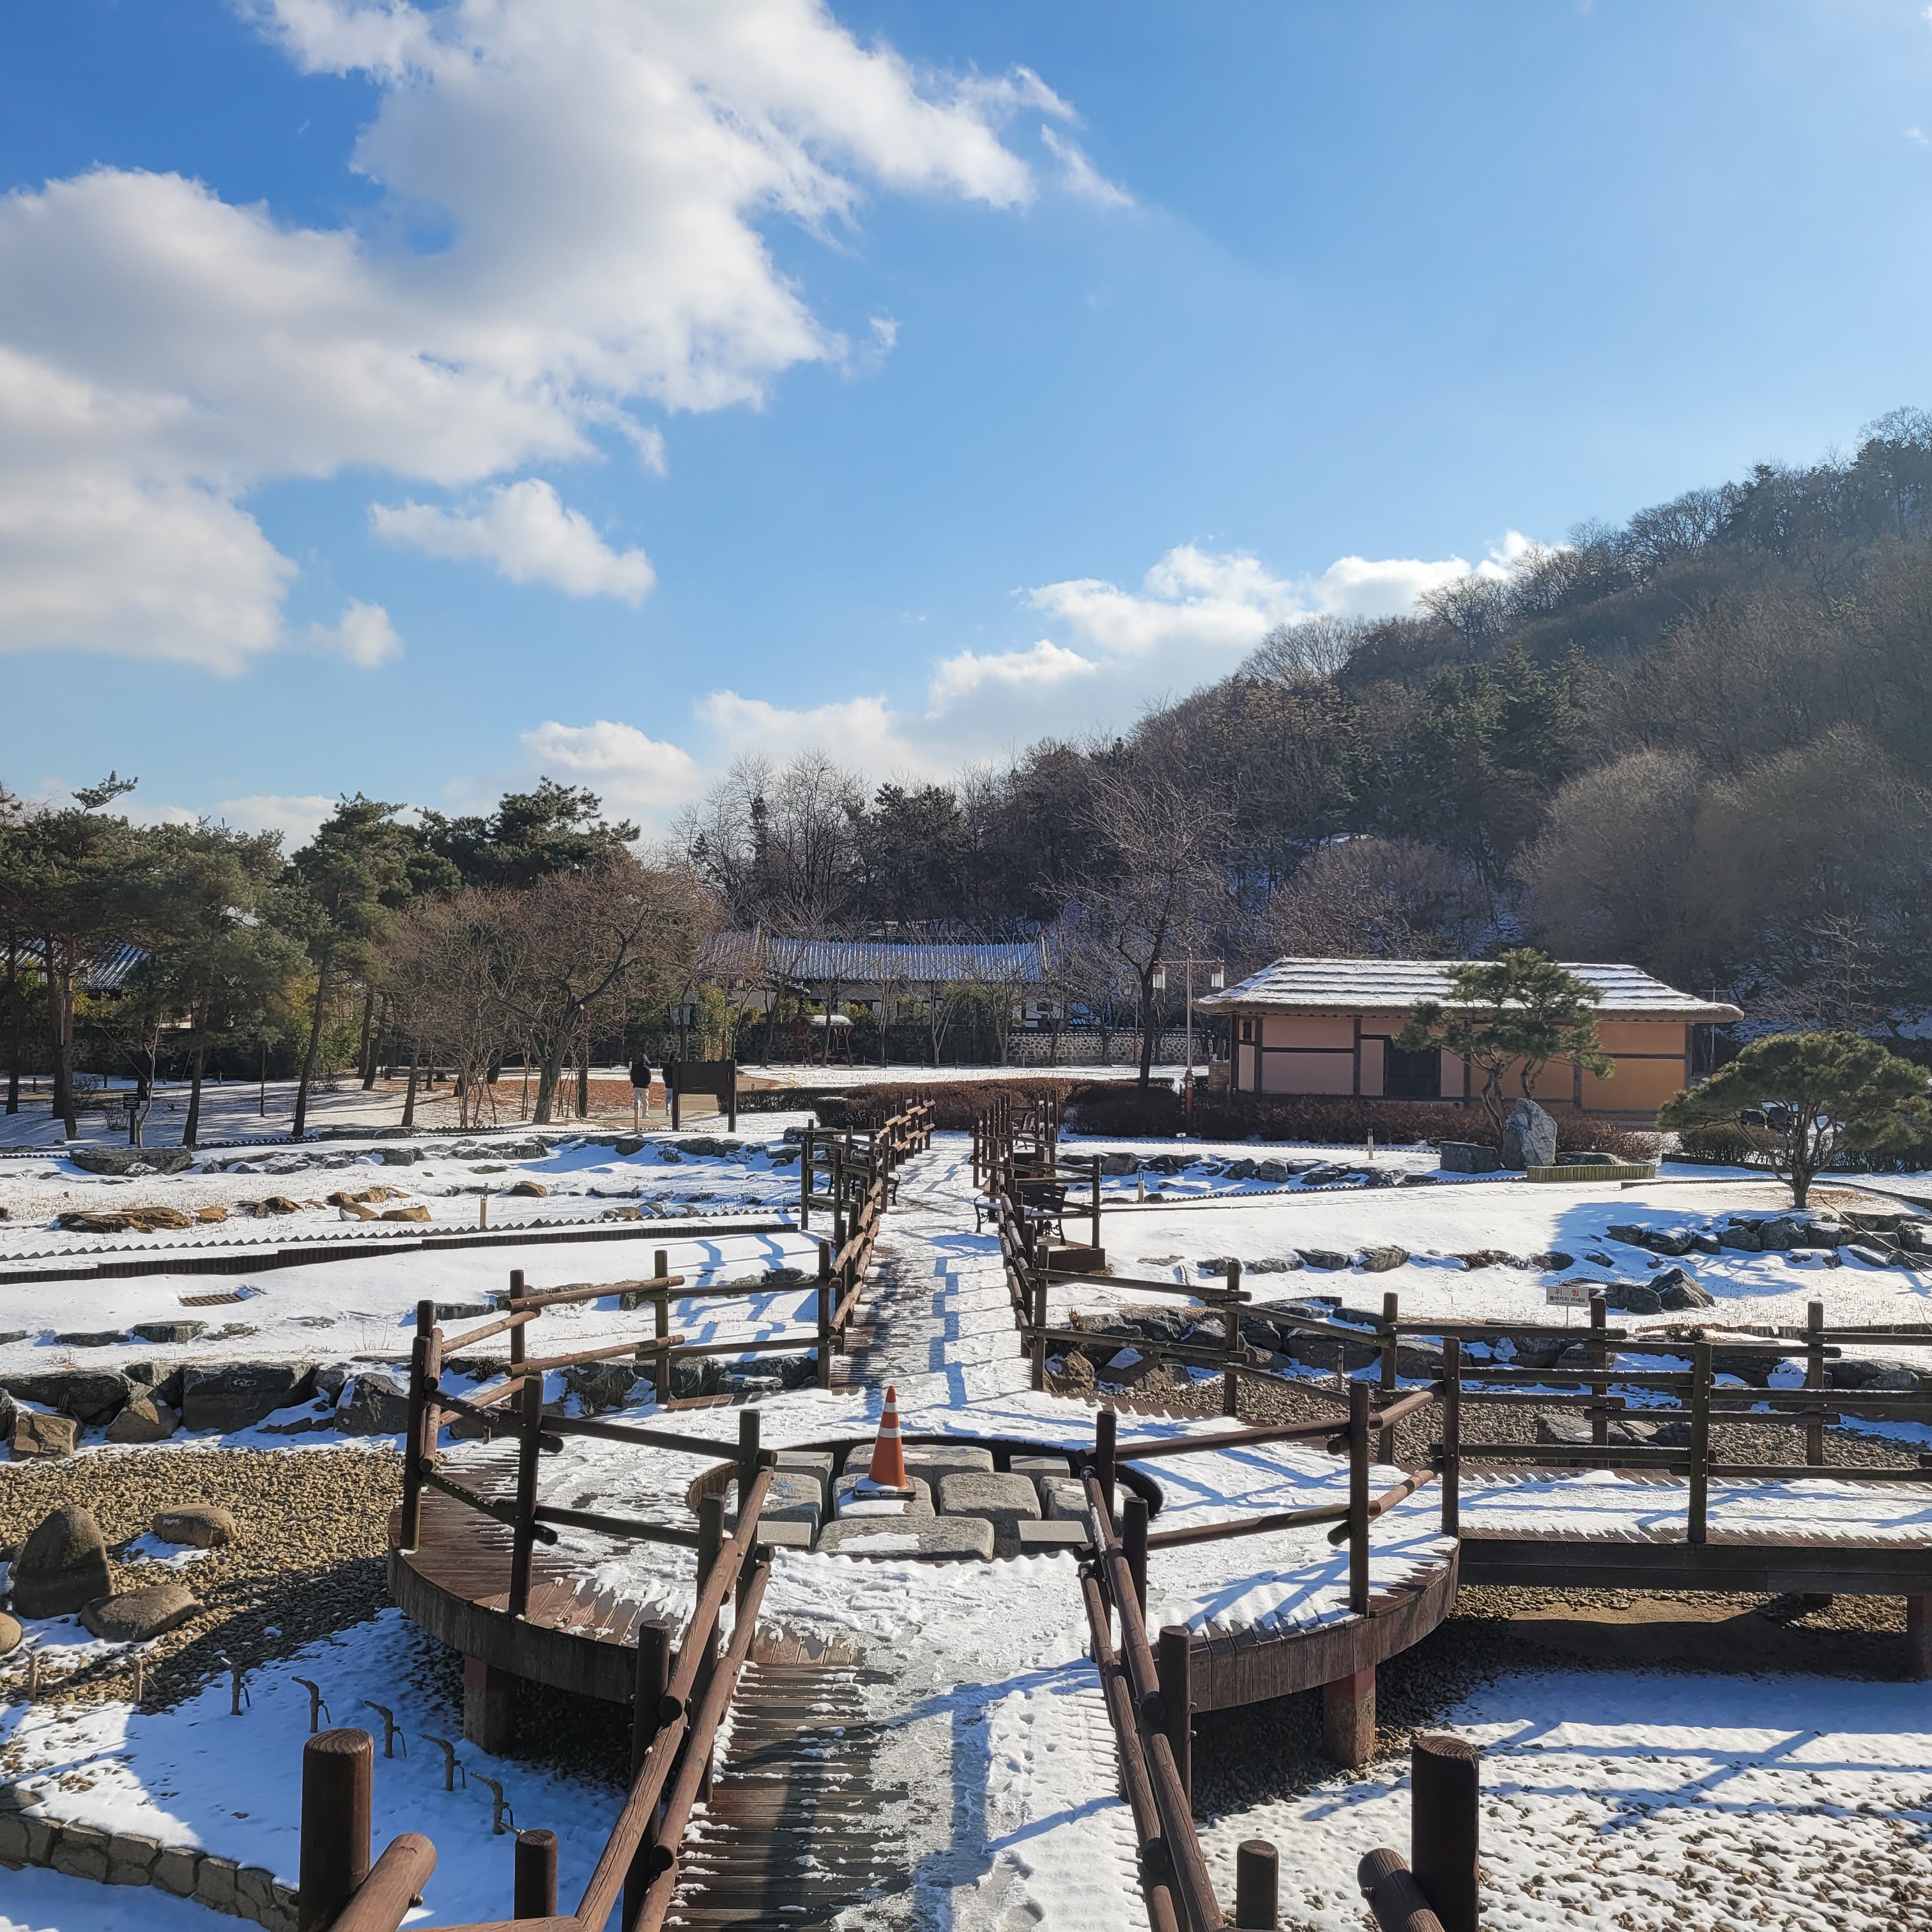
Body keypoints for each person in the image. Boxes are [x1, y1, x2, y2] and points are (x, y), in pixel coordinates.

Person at [629, 1055, 653, 1130]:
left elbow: (632, 1076)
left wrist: (634, 1082)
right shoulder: (646, 1068)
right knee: (645, 1100)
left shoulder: (635, 1068)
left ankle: (637, 1114)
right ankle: (645, 1114)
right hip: (644, 1086)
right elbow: (649, 1078)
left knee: (637, 1100)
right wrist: (646, 1083)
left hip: (636, 1085)